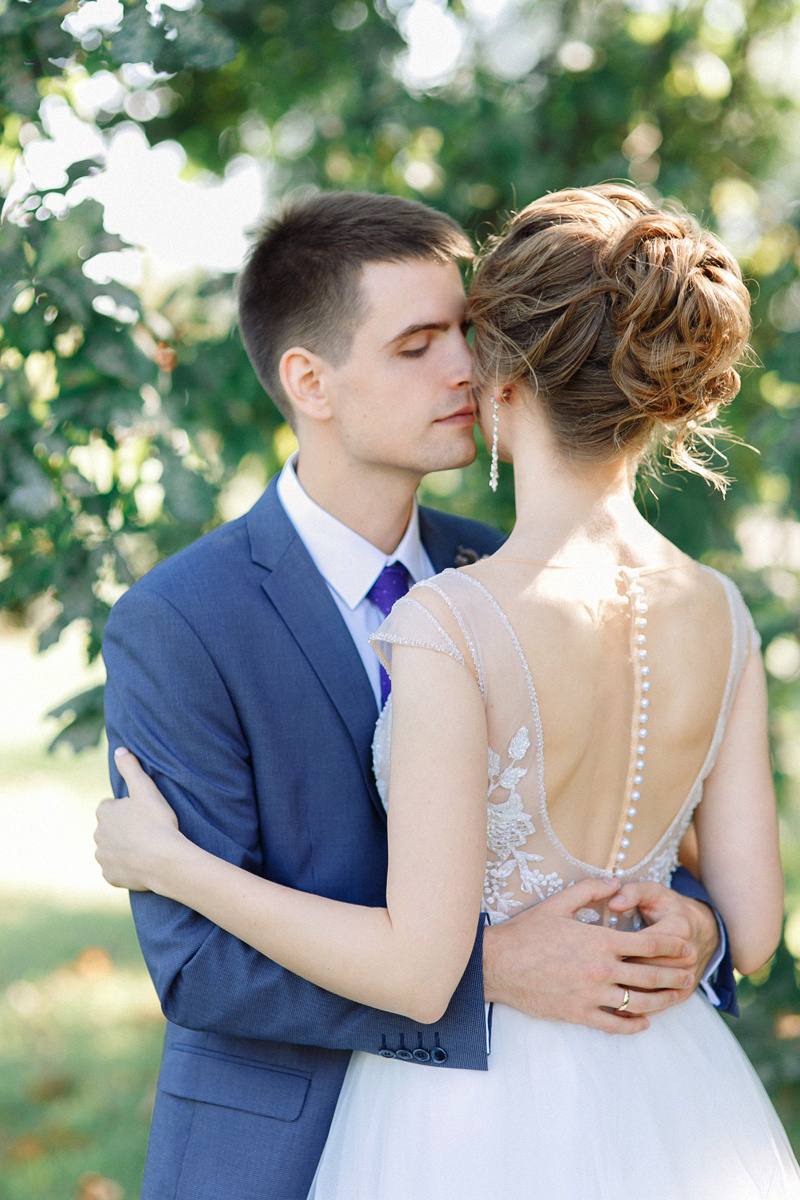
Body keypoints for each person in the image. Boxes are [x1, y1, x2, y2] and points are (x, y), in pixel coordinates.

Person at [97, 189, 737, 1200]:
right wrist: (491, 968)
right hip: (283, 1150)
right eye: (416, 345)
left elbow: (639, 828)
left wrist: (695, 932)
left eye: (467, 333)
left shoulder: (508, 573)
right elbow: (198, 967)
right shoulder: (180, 621)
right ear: (309, 380)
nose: (466, 370)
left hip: (545, 1136)